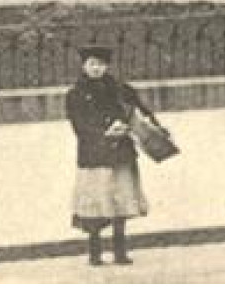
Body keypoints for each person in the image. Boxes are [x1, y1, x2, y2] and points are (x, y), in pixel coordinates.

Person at [66, 45, 158, 266]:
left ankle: (120, 252)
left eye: (100, 64)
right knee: (96, 203)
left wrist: (149, 125)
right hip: (95, 154)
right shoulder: (75, 94)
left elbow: (139, 110)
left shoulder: (120, 89)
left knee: (121, 202)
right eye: (92, 64)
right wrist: (104, 132)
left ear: (107, 66)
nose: (96, 68)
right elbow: (79, 124)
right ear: (84, 66)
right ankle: (95, 253)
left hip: (121, 152)